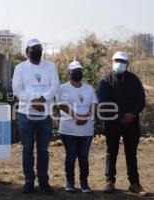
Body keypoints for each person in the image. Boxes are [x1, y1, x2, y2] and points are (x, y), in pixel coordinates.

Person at [12, 38, 60, 194]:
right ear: (27, 52)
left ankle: (44, 181)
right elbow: (17, 89)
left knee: (43, 149)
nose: (36, 51)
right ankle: (28, 181)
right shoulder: (20, 68)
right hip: (26, 114)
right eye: (33, 49)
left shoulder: (50, 66)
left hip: (44, 114)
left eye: (39, 48)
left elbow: (55, 86)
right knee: (27, 148)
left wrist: (42, 100)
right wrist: (33, 102)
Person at [98, 51, 147, 196]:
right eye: (117, 60)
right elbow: (104, 100)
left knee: (131, 153)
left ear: (127, 63)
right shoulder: (105, 81)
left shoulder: (134, 80)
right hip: (112, 122)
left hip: (131, 122)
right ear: (112, 61)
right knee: (111, 152)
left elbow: (141, 101)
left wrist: (132, 114)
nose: (119, 63)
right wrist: (120, 115)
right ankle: (109, 182)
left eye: (122, 61)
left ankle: (134, 184)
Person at [58, 61, 98, 193]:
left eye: (79, 70)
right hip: (68, 129)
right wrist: (77, 117)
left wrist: (85, 117)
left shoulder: (89, 88)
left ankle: (84, 183)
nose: (77, 72)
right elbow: (62, 105)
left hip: (86, 130)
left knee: (84, 156)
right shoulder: (63, 88)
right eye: (74, 70)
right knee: (71, 155)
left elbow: (94, 105)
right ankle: (70, 182)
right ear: (69, 72)